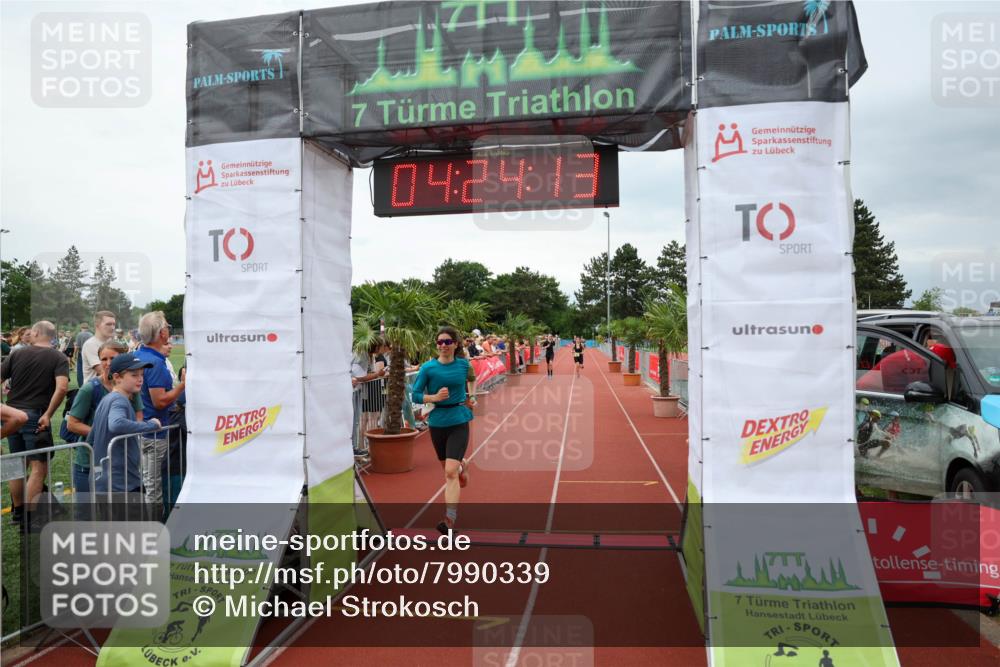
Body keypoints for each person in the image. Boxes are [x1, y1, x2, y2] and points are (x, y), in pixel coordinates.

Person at [1, 321, 69, 525]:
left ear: (37, 332)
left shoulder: (17, 353)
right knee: (39, 468)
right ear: (52, 335)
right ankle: (29, 518)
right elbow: (62, 388)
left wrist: (3, 407)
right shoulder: (58, 357)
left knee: (17, 465)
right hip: (36, 416)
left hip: (13, 415)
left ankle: (18, 513)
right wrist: (48, 414)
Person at [410, 326, 475, 533]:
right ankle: (462, 467)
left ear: (455, 344)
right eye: (440, 342)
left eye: (447, 342)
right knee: (450, 470)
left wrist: (472, 396)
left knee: (449, 473)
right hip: (438, 422)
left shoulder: (463, 364)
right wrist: (434, 397)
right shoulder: (428, 368)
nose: (443, 345)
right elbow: (415, 394)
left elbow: (472, 379)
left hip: (459, 419)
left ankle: (449, 520)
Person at [66, 341, 144, 500]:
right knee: (87, 511)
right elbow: (72, 424)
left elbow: (138, 416)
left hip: (119, 463)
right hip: (89, 461)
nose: (108, 363)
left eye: (113, 358)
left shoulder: (130, 387)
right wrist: (104, 433)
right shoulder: (90, 389)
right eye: (103, 359)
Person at [134, 311, 186, 513]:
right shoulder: (155, 362)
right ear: (162, 333)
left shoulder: (140, 354)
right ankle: (153, 527)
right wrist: (183, 386)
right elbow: (160, 401)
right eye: (167, 328)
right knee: (153, 489)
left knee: (148, 482)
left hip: (142, 429)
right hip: (154, 433)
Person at [89, 353, 163, 495]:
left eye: (141, 374)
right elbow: (116, 424)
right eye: (134, 375)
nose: (140, 379)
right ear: (117, 377)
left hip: (108, 480)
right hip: (121, 483)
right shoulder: (119, 400)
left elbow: (92, 437)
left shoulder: (108, 399)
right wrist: (151, 425)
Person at [81, 311, 117, 383]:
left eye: (114, 324)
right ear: (97, 325)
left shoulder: (113, 343)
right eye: (108, 324)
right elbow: (104, 372)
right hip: (95, 388)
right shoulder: (91, 344)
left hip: (111, 387)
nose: (112, 327)